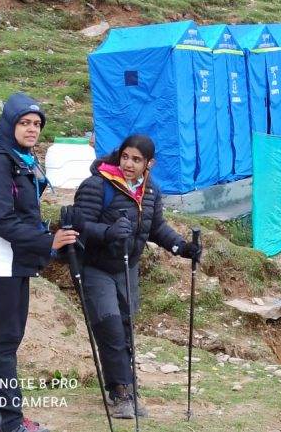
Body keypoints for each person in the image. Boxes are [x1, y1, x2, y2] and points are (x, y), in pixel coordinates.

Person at [0, 92, 78, 432]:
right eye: (25, 123)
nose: (32, 130)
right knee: (2, 343)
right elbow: (3, 222)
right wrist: (48, 241)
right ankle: (5, 422)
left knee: (8, 340)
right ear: (9, 124)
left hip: (15, 261)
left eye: (37, 124)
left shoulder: (19, 157)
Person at [72, 134, 201, 419]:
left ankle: (128, 388)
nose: (129, 164)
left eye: (137, 160)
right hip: (96, 267)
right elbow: (78, 225)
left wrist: (182, 247)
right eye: (125, 157)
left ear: (149, 164)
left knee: (126, 329)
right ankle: (119, 393)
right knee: (111, 329)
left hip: (127, 268)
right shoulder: (98, 185)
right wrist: (107, 232)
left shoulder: (149, 191)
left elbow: (156, 228)